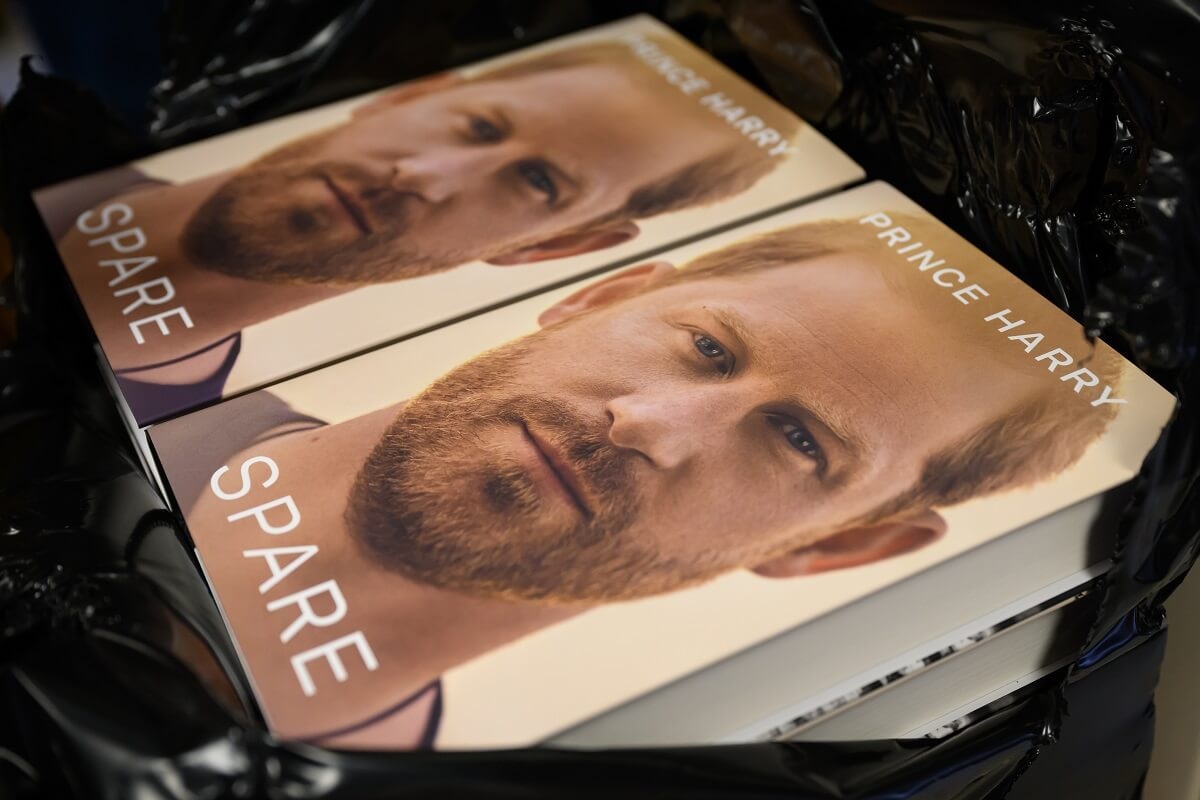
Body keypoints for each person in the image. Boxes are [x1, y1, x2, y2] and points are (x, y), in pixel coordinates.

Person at [155, 213, 1123, 747]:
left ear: (838, 545)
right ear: (601, 293)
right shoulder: (124, 388)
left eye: (797, 438)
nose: (648, 426)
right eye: (707, 348)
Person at [38, 40, 795, 420]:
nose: (424, 177)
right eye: (479, 126)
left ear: (552, 247)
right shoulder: (42, 150)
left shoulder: (222, 467)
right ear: (411, 94)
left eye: (538, 182)